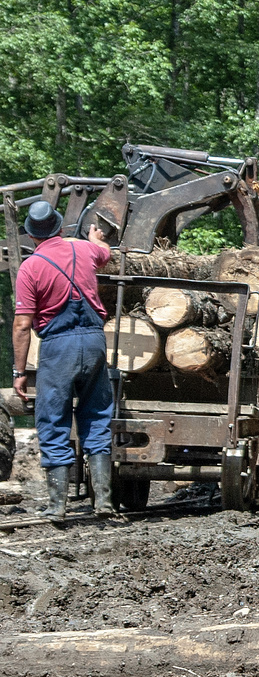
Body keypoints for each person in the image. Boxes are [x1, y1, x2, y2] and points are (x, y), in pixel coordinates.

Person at [10, 201, 116, 520]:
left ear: (31, 236)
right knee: (97, 416)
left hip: (58, 347)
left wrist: (18, 371)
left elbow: (22, 324)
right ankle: (103, 501)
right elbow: (105, 253)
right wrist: (96, 238)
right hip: (95, 341)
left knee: (53, 419)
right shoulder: (84, 250)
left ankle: (57, 505)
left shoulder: (31, 267)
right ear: (59, 227)